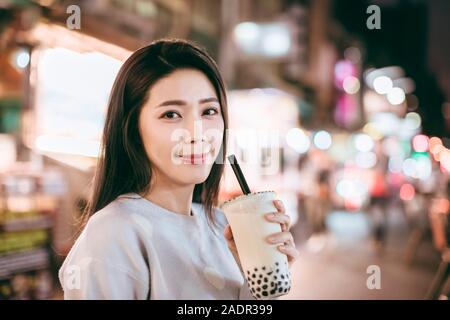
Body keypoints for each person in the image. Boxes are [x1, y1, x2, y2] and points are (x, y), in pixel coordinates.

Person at [58, 39, 299, 299]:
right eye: (171, 114)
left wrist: (259, 286)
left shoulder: (222, 227)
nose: (197, 133)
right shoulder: (114, 234)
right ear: (133, 130)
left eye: (208, 111)